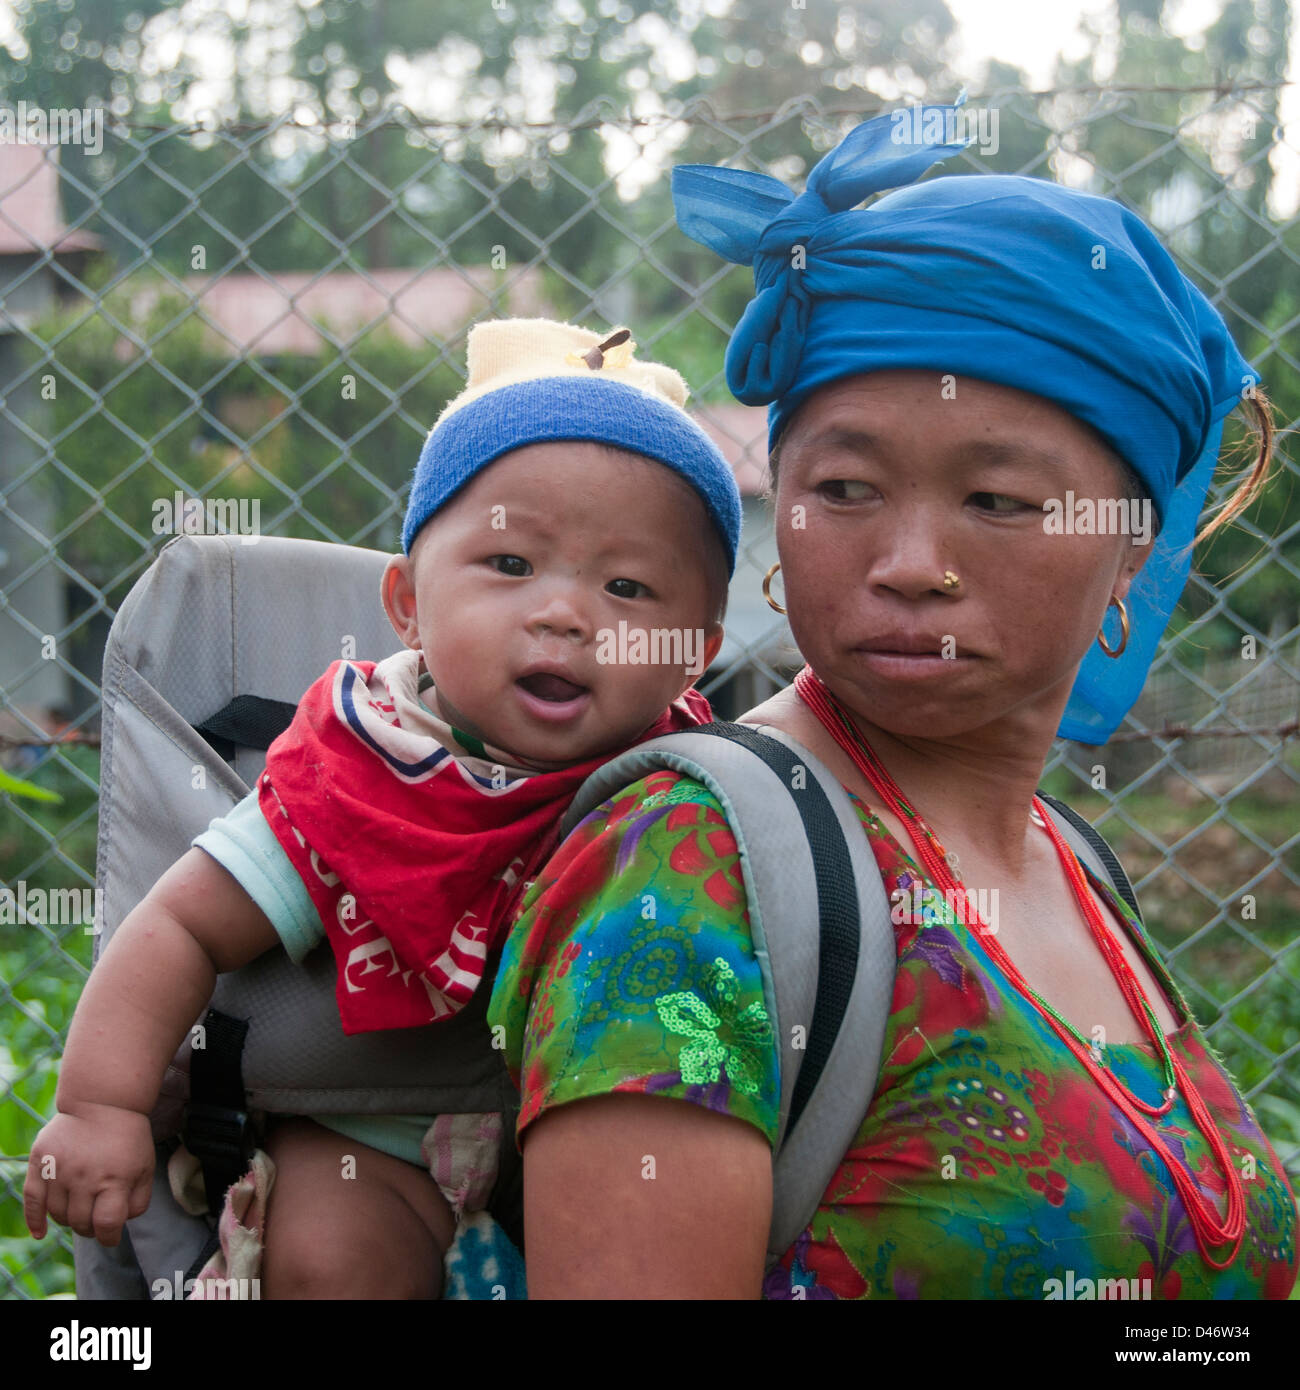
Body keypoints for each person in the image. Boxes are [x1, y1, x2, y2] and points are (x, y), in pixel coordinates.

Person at [486, 105, 1298, 1299]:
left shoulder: (1070, 863)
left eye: (1000, 500)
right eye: (846, 486)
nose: (911, 559)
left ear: (1130, 551)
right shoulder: (693, 866)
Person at [23, 317, 741, 1299]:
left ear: (693, 652)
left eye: (627, 586)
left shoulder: (687, 794)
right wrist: (100, 1105)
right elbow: (182, 924)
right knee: (331, 1262)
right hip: (372, 1143)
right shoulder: (364, 773)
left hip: (588, 1140)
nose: (564, 614)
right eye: (511, 566)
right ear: (406, 603)